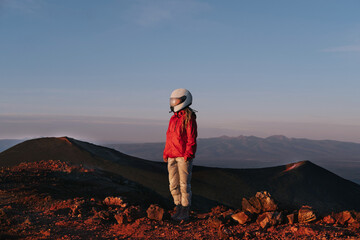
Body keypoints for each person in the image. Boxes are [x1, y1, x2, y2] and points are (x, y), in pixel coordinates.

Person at [163, 88, 198, 221]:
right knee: (173, 184)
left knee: (184, 185)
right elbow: (169, 137)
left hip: (183, 156)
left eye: (175, 100)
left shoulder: (189, 118)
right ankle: (178, 207)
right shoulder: (173, 119)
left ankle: (185, 209)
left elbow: (191, 138)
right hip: (172, 155)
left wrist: (188, 154)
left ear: (184, 100)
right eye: (172, 101)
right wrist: (166, 152)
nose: (173, 103)